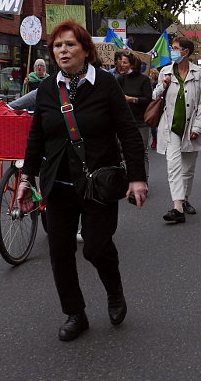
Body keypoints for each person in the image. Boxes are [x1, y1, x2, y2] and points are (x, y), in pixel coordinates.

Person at [17, 20, 146, 341]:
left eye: (70, 44)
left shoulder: (105, 84)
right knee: (60, 251)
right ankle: (75, 314)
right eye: (58, 45)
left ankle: (114, 291)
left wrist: (137, 178)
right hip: (58, 185)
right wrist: (26, 178)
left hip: (97, 181)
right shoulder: (47, 88)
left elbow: (128, 133)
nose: (63, 50)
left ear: (86, 50)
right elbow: (36, 137)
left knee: (96, 247)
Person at [153, 35, 201, 223]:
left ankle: (185, 199)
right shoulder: (165, 72)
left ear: (186, 52)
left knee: (188, 168)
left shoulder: (198, 73)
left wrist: (198, 127)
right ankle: (177, 206)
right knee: (173, 166)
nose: (172, 51)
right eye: (172, 48)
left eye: (176, 48)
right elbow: (154, 97)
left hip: (191, 125)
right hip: (171, 126)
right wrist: (163, 85)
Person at [116, 51, 153, 181]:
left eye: (125, 62)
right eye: (121, 62)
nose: (122, 64)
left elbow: (148, 99)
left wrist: (132, 99)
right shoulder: (120, 79)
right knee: (125, 152)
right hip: (125, 122)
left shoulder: (144, 80)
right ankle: (129, 180)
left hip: (142, 121)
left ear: (133, 64)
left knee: (142, 152)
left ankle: (144, 180)